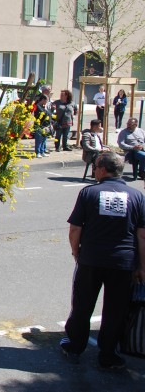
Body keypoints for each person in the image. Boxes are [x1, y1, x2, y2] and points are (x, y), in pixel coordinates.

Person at [60, 152, 145, 370]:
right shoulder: (136, 196)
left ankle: (74, 347)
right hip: (123, 262)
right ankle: (108, 355)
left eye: (95, 166)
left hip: (92, 259)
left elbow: (75, 229)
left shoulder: (89, 193)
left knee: (82, 305)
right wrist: (141, 266)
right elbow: (141, 235)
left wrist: (75, 252)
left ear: (102, 169)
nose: (94, 170)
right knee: (116, 309)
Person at [32, 94, 53, 158]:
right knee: (39, 139)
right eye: (46, 100)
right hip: (39, 125)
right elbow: (44, 114)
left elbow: (49, 114)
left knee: (44, 139)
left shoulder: (43, 106)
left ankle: (42, 151)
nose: (46, 102)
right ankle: (37, 152)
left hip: (45, 125)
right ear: (43, 100)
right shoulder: (38, 106)